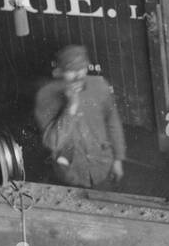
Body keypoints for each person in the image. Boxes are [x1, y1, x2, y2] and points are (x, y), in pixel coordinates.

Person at [33, 44, 127, 189]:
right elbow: (53, 143)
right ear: (58, 71)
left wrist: (118, 159)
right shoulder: (46, 95)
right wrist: (71, 107)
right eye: (71, 71)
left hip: (102, 168)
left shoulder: (99, 85)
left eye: (82, 69)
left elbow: (113, 123)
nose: (79, 75)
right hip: (69, 175)